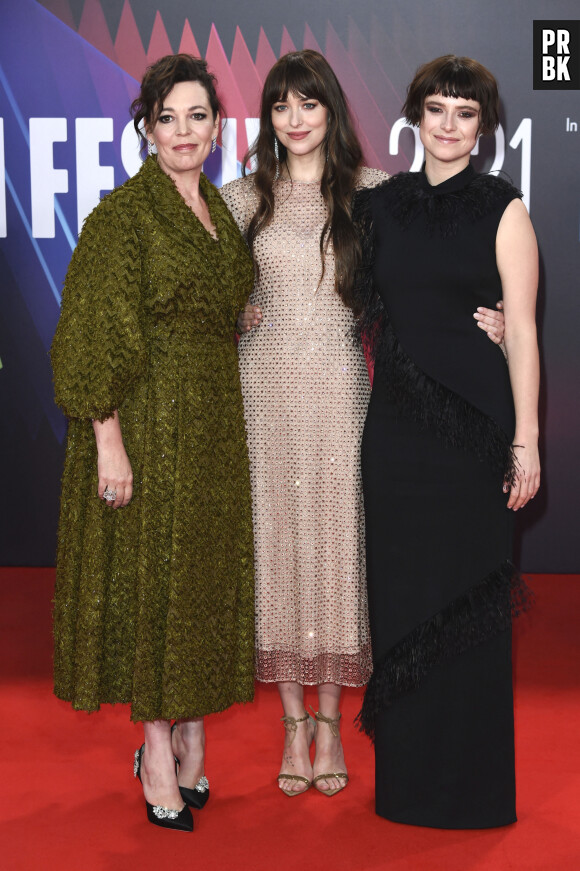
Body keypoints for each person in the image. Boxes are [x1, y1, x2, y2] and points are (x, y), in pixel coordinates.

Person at [221, 49, 506, 798]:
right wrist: (231, 313)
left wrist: (502, 313)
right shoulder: (240, 198)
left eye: (308, 104)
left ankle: (330, 722)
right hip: (265, 396)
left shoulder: (375, 195)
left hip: (348, 394)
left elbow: (442, 259)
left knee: (341, 551)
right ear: (268, 118)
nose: (295, 119)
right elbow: (203, 289)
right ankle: (291, 727)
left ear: (332, 112)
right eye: (281, 105)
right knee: (279, 549)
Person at [51, 54, 255, 832]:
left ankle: (191, 723)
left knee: (199, 576)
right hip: (145, 422)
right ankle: (155, 749)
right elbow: (91, 335)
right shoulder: (123, 218)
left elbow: (219, 294)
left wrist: (241, 314)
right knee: (152, 581)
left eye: (197, 115)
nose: (183, 131)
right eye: (167, 117)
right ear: (146, 127)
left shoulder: (217, 211)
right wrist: (108, 439)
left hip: (211, 427)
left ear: (216, 126)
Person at [352, 55, 540, 828]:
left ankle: (473, 789)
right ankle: (407, 785)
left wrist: (527, 441)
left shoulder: (504, 207)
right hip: (395, 434)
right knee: (400, 602)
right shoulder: (380, 206)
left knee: (472, 603)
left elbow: (523, 328)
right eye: (438, 109)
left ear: (484, 126)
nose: (451, 125)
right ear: (415, 118)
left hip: (474, 432)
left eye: (466, 112)